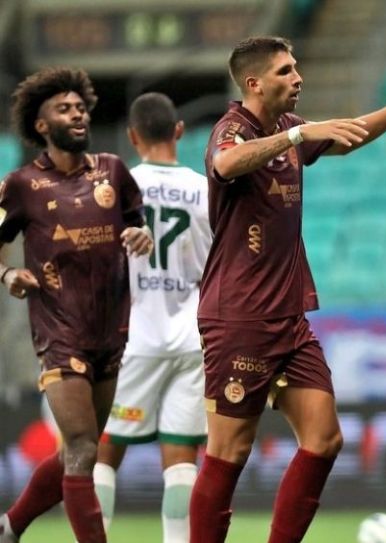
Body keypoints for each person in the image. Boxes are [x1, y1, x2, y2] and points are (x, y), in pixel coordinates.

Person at [190, 36, 386, 543]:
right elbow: (225, 164)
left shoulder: (288, 127)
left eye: (297, 68)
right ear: (254, 83)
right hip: (239, 317)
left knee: (325, 439)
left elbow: (351, 134)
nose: (298, 77)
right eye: (286, 71)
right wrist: (297, 136)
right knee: (229, 453)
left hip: (289, 319)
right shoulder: (232, 129)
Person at [0, 67, 154, 543]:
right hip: (58, 332)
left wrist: (142, 234)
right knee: (85, 447)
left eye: (80, 107)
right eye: (64, 109)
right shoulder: (22, 184)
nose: (77, 114)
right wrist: (8, 274)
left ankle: (10, 526)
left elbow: (138, 221)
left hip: (110, 330)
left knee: (76, 449)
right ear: (42, 126)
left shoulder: (113, 170)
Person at [92, 92, 212, 543]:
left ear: (132, 137)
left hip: (132, 339)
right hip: (193, 339)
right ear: (179, 131)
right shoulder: (205, 189)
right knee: (181, 458)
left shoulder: (113, 188)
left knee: (104, 453)